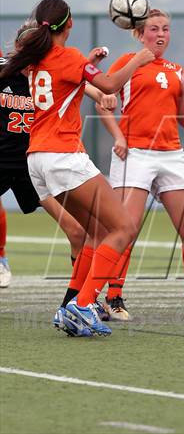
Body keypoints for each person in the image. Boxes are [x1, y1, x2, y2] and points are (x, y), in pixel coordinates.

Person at [0, 0, 155, 336]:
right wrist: (141, 59)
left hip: (37, 159)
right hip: (63, 156)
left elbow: (66, 83)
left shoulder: (37, 60)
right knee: (124, 229)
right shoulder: (67, 57)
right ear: (69, 24)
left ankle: (68, 307)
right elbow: (111, 86)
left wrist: (89, 63)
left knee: (95, 235)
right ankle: (83, 306)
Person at [96, 8, 184, 319]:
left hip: (171, 155)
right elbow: (103, 100)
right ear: (139, 33)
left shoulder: (177, 70)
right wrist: (118, 136)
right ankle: (114, 296)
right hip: (134, 155)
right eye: (153, 29)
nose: (160, 34)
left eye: (165, 29)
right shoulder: (128, 62)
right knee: (126, 229)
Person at [0, 35, 114, 289]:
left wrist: (101, 96)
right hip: (3, 160)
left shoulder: (49, 74)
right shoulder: (5, 71)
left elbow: (83, 84)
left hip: (33, 166)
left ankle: (81, 299)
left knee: (77, 232)